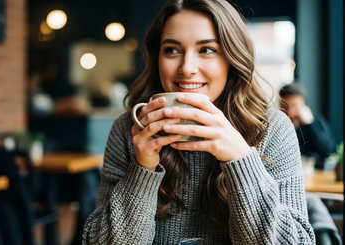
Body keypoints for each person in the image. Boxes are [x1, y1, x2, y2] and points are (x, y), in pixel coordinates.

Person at [82, 0, 315, 244]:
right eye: (172, 50)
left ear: (232, 58)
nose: (187, 68)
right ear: (156, 57)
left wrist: (240, 159)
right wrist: (142, 168)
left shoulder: (271, 128)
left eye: (207, 50)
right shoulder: (129, 130)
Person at [279, 82, 336, 169]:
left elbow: (328, 151)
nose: (290, 112)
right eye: (285, 107)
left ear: (303, 103)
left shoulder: (317, 123)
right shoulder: (278, 128)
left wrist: (310, 124)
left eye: (295, 106)